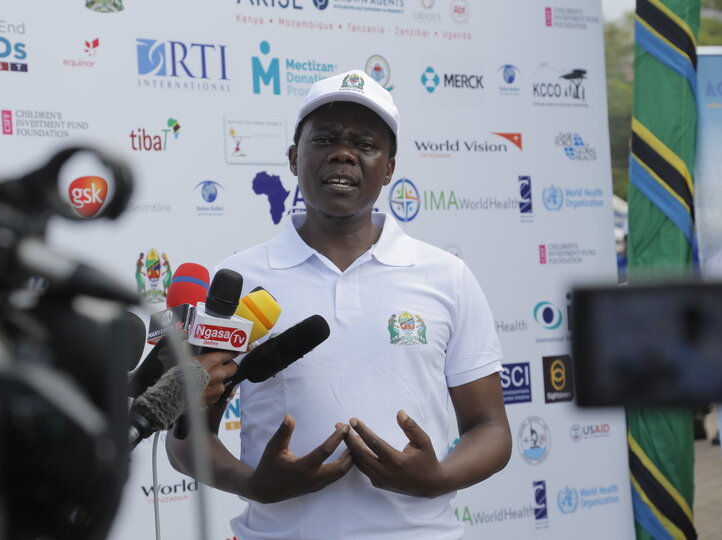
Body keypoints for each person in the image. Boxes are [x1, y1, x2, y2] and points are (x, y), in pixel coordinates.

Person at [166, 69, 511, 539]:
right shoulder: (239, 280)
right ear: (293, 158)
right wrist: (252, 483)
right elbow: (188, 435)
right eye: (324, 138)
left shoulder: (446, 276)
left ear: (389, 167)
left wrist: (438, 479)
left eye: (365, 144)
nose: (343, 153)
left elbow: (491, 427)